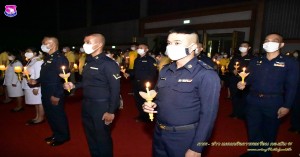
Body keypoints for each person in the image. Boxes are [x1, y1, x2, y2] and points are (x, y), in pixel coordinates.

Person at [143, 27, 220, 157]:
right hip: (159, 132)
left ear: (193, 47)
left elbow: (209, 115)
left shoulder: (206, 74)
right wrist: (151, 104)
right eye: (169, 43)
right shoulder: (165, 70)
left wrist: (197, 147)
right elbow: (158, 96)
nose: (171, 47)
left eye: (177, 43)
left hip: (185, 137)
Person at [237, 33, 299, 157]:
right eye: (266, 40)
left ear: (281, 44)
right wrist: (243, 83)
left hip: (273, 102)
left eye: (274, 40)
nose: (269, 42)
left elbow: (292, 87)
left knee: (269, 131)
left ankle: (265, 154)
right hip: (253, 100)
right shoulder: (256, 61)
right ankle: (253, 152)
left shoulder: (290, 63)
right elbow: (249, 78)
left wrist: (287, 106)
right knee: (253, 129)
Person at [63, 33, 120, 157]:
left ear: (99, 44)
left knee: (102, 137)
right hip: (87, 103)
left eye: (88, 42)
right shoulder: (89, 61)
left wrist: (111, 111)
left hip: (101, 105)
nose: (84, 45)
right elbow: (86, 82)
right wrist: (74, 85)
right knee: (90, 135)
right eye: (84, 42)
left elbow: (115, 89)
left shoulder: (108, 64)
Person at [29, 36, 70, 146]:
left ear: (52, 44)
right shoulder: (48, 58)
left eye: (45, 43)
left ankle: (63, 137)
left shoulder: (60, 58)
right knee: (50, 115)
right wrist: (36, 81)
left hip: (55, 91)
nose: (42, 45)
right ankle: (56, 134)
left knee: (57, 115)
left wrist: (57, 95)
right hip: (46, 90)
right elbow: (46, 75)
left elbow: (63, 79)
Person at [123, 43, 157, 122]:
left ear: (147, 49)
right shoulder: (137, 59)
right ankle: (142, 116)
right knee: (138, 101)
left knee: (147, 101)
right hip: (136, 83)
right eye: (139, 47)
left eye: (142, 47)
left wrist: (148, 84)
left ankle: (149, 117)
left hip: (146, 84)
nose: (139, 49)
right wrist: (129, 74)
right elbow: (135, 71)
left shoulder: (150, 60)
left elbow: (153, 73)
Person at [228, 41, 253, 119]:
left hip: (245, 81)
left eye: (245, 46)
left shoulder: (252, 58)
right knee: (234, 96)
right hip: (234, 79)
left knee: (244, 98)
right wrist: (232, 70)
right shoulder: (236, 57)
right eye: (241, 46)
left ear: (249, 48)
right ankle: (235, 112)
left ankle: (243, 114)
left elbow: (253, 69)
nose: (243, 47)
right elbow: (229, 66)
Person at [22, 47, 45, 125]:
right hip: (30, 84)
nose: (26, 53)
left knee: (39, 102)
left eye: (28, 51)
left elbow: (38, 75)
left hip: (35, 84)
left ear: (35, 53)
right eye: (26, 51)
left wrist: (36, 87)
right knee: (36, 102)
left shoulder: (38, 61)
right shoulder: (31, 61)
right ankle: (37, 117)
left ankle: (40, 118)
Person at [289, 50, 300, 134]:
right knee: (295, 107)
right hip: (295, 88)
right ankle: (295, 126)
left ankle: (296, 126)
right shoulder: (294, 62)